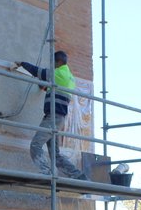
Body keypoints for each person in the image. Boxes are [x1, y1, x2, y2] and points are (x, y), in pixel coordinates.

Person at [10, 50, 87, 180]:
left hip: (53, 118)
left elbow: (38, 72)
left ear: (59, 62)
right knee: (55, 155)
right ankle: (78, 175)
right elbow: (53, 87)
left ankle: (46, 172)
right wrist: (44, 85)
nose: (52, 66)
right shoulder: (68, 77)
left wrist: (22, 63)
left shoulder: (59, 73)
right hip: (58, 118)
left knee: (35, 145)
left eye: (53, 63)